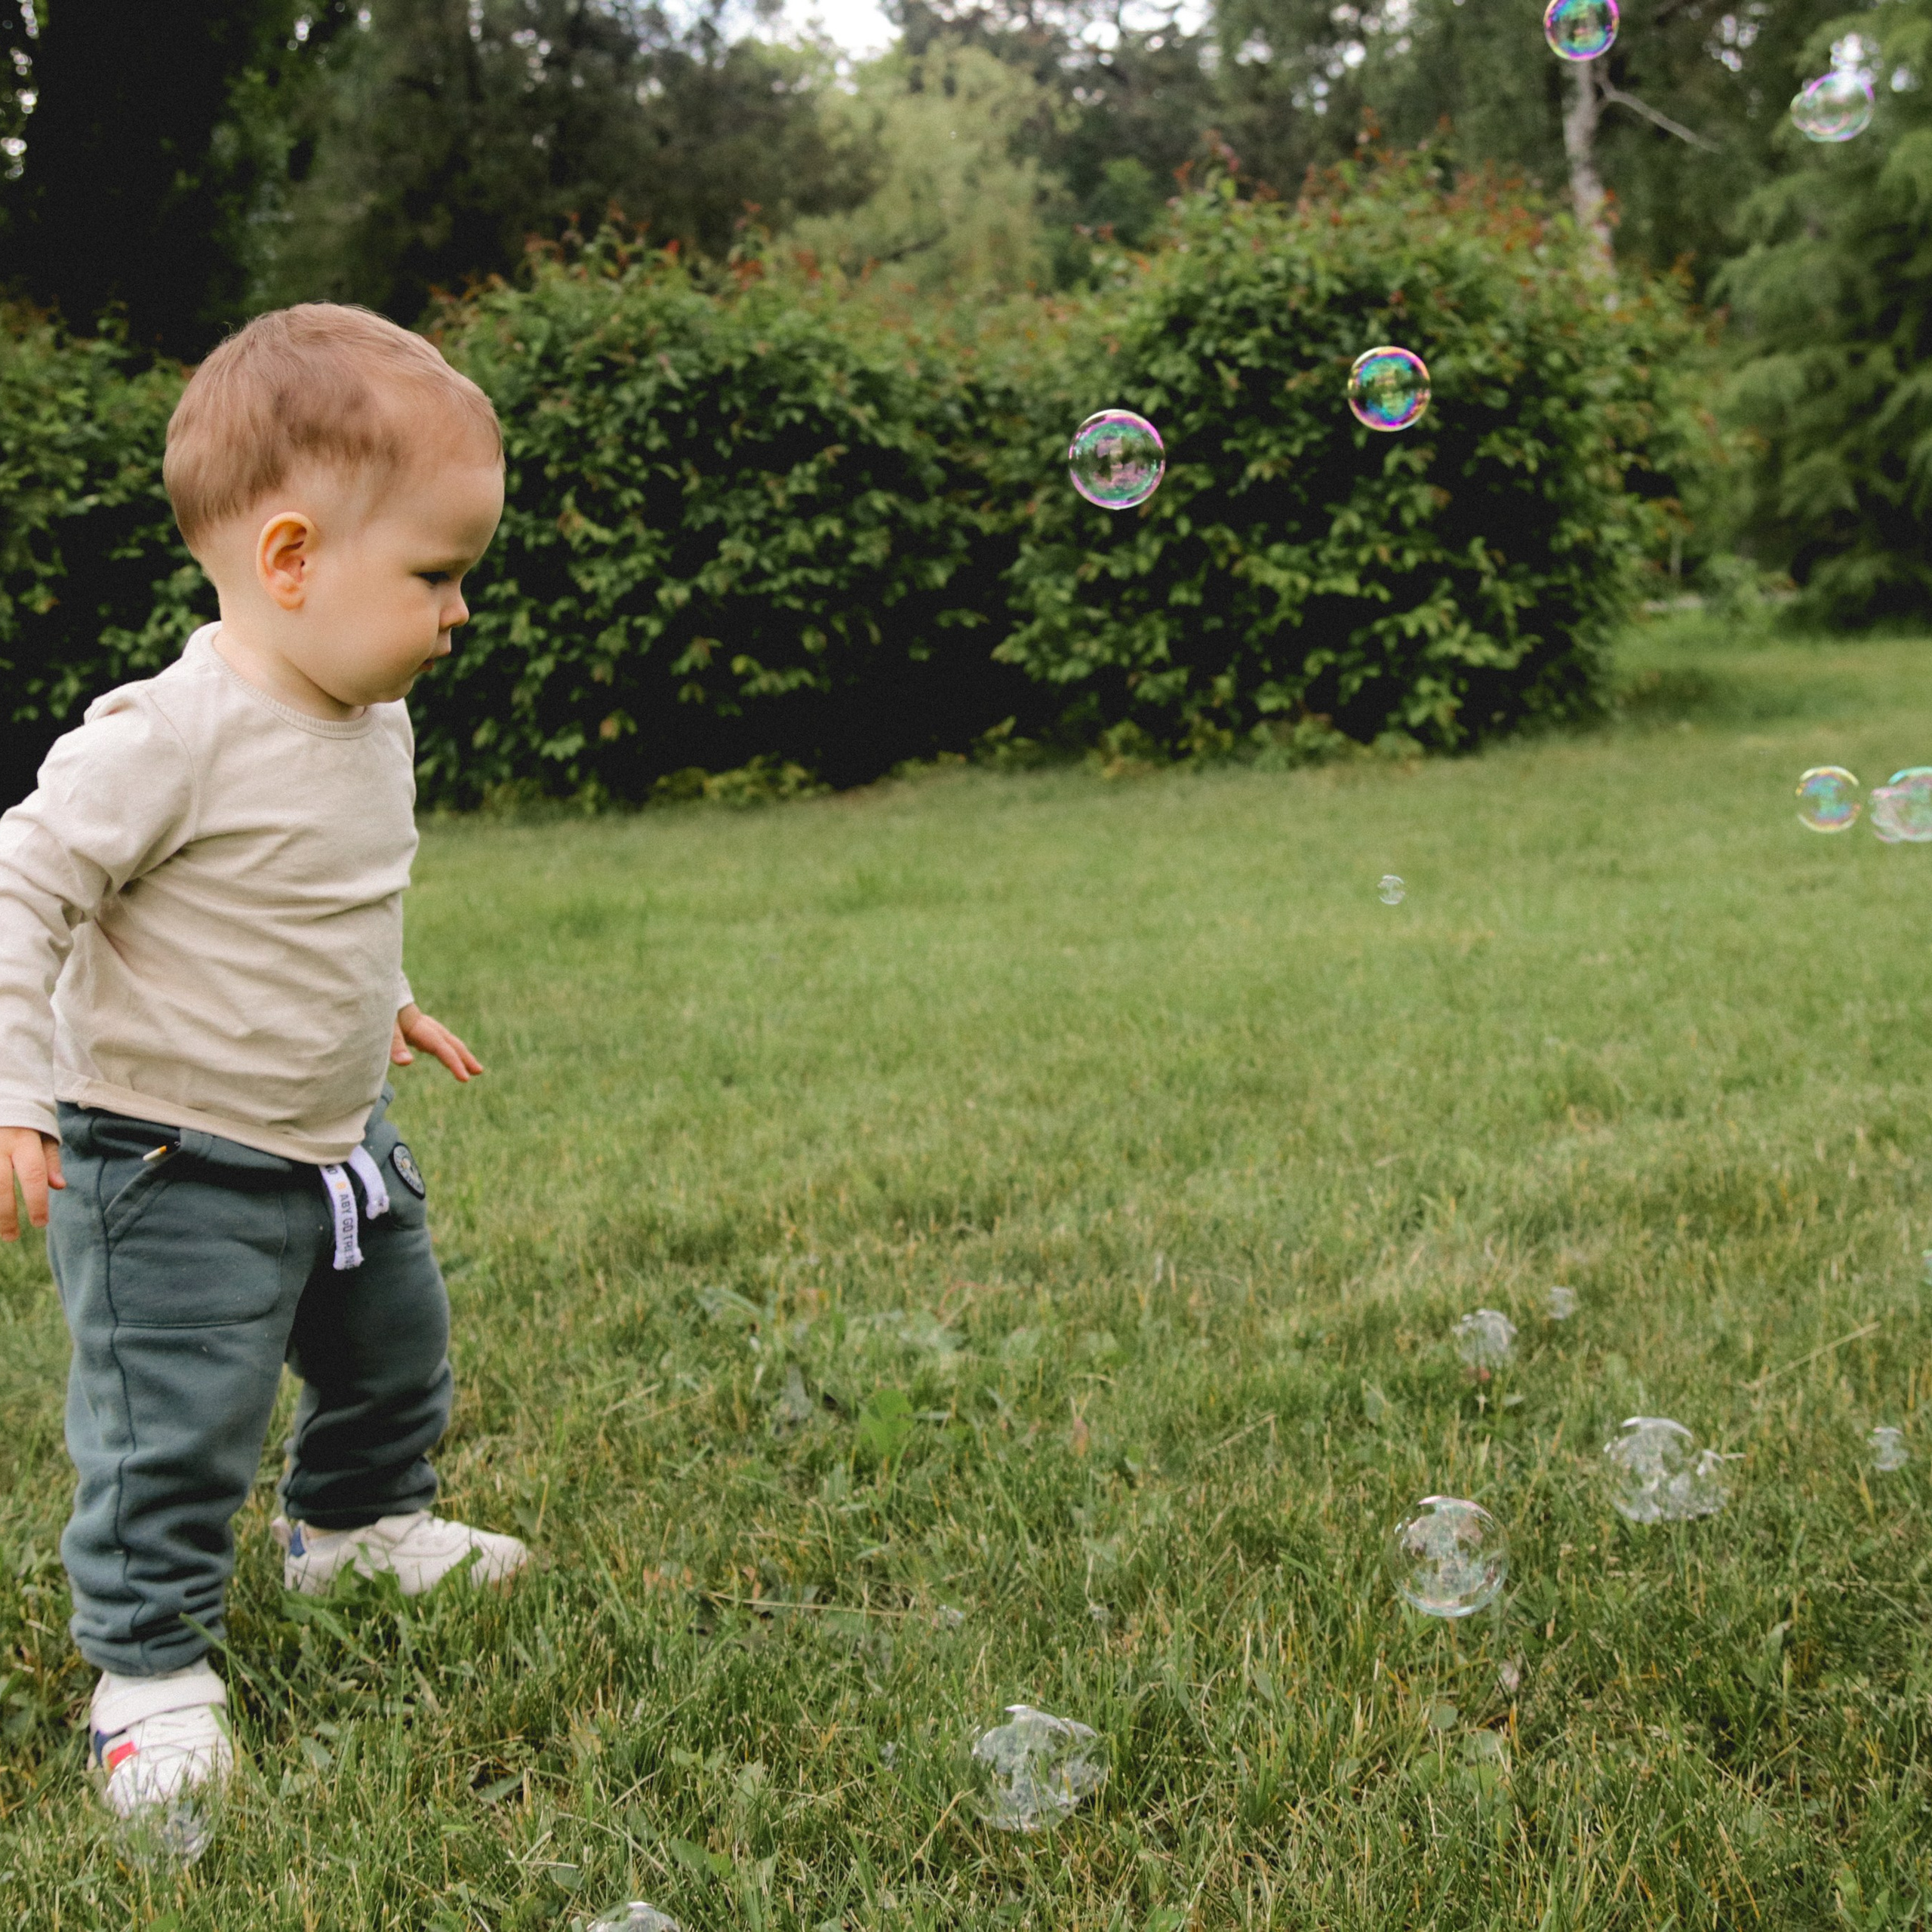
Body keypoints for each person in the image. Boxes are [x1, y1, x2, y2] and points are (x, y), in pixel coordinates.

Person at [0, 303, 530, 1837]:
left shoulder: (370, 717)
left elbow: (323, 894)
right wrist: (19, 1087)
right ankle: (146, 1671)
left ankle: (357, 1521)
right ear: (291, 560)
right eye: (435, 575)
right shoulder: (166, 734)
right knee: (174, 1418)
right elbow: (27, 885)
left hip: (334, 1137)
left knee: (391, 1348)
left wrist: (389, 1001)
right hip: (169, 1158)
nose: (457, 612)